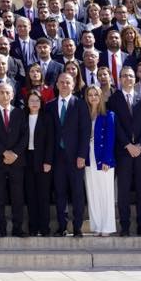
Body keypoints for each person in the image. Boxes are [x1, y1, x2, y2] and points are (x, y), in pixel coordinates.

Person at [108, 66, 141, 236]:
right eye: (124, 76)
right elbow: (115, 125)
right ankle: (125, 225)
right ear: (119, 79)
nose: (128, 78)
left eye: (130, 76)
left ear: (135, 79)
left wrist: (140, 144)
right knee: (124, 189)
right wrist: (127, 144)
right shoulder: (113, 99)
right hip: (123, 150)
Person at [0, 80, 28, 237]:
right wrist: (4, 152)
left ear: (13, 95)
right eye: (1, 92)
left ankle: (17, 228)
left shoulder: (20, 112)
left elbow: (25, 136)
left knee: (18, 196)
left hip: (17, 160)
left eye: (7, 92)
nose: (4, 95)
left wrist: (14, 153)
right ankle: (1, 228)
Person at [49, 72, 91, 236]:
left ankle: (78, 226)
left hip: (76, 157)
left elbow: (85, 131)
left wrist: (82, 155)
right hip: (57, 157)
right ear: (57, 85)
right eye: (61, 82)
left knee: (77, 193)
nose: (65, 85)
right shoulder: (50, 106)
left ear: (73, 85)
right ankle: (62, 225)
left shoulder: (80, 104)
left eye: (68, 82)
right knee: (60, 193)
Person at [84, 84, 117, 236]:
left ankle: (107, 227)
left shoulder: (108, 115)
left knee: (106, 192)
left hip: (102, 157)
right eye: (90, 95)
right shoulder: (84, 114)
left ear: (101, 97)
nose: (93, 98)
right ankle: (97, 226)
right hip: (88, 156)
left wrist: (107, 159)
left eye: (95, 94)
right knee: (93, 191)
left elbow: (110, 139)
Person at [23, 91, 55, 236]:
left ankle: (44, 228)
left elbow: (50, 141)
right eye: (31, 100)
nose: (34, 103)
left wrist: (48, 161)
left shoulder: (47, 118)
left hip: (42, 159)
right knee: (30, 195)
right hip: (27, 159)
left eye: (37, 100)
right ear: (27, 103)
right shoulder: (22, 117)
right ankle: (33, 227)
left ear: (41, 102)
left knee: (43, 195)